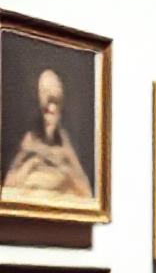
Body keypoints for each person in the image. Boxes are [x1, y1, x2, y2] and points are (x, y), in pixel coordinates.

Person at [2, 69, 93, 199]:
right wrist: (32, 162)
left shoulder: (66, 146)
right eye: (48, 104)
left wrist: (64, 166)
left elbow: (85, 193)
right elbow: (9, 189)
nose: (51, 110)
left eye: (55, 103)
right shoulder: (27, 142)